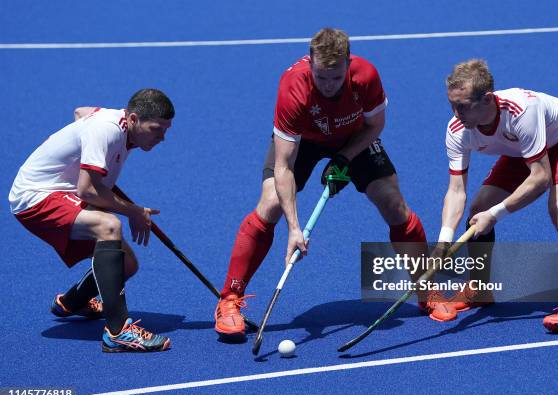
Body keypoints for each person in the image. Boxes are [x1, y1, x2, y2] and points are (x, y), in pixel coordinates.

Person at [214, 28, 456, 341]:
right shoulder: (293, 88)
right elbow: (284, 165)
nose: (329, 86)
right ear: (310, 63)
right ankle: (229, 299)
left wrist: (344, 158)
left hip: (354, 137)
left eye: (336, 78)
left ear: (348, 64)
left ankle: (426, 288)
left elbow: (375, 126)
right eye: (321, 77)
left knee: (393, 203)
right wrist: (295, 228)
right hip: (303, 142)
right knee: (271, 203)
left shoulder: (366, 76)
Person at [436, 59, 558, 332]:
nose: (456, 113)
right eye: (452, 104)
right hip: (522, 147)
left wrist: (495, 215)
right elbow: (456, 191)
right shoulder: (457, 129)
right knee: (479, 205)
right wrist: (444, 240)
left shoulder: (522, 110)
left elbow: (539, 178)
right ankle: (479, 290)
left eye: (463, 106)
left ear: (487, 99)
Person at [9, 89, 175, 351]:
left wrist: (77, 149)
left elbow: (81, 111)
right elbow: (86, 190)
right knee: (109, 226)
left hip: (61, 190)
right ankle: (118, 332)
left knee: (127, 265)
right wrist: (133, 210)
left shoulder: (114, 124)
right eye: (156, 129)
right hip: (36, 196)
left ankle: (71, 302)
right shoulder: (107, 130)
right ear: (133, 119)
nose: (162, 137)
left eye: (166, 130)